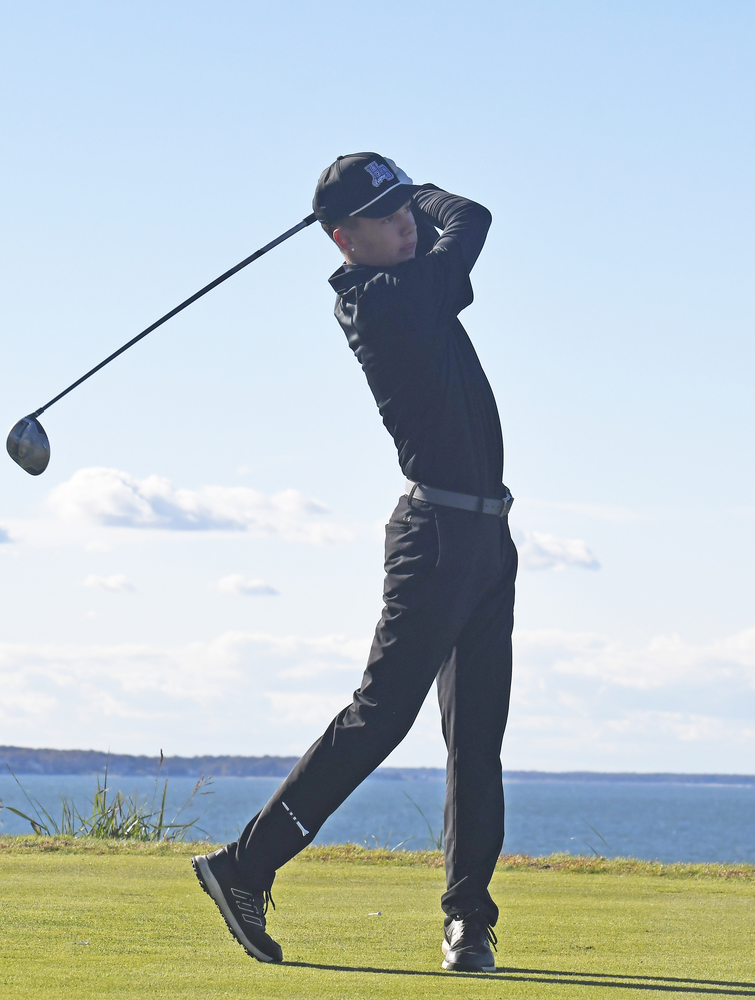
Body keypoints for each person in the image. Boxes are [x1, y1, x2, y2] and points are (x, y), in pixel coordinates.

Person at [192, 153, 516, 973]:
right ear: (344, 241)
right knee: (382, 715)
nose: (408, 221)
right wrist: (433, 185)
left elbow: (452, 226)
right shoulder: (385, 300)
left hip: (486, 537)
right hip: (435, 535)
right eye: (388, 214)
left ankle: (468, 922)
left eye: (408, 206)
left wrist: (403, 185)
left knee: (476, 738)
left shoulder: (412, 282)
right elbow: (470, 217)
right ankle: (245, 867)